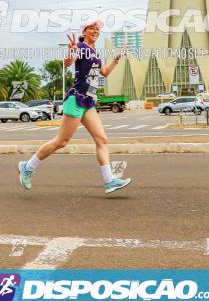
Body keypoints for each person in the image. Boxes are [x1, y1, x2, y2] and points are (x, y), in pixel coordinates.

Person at [18, 20, 132, 194]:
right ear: (84, 32)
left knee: (101, 140)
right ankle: (27, 166)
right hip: (76, 99)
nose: (95, 31)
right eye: (91, 28)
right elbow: (67, 63)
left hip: (88, 102)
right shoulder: (80, 47)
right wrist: (71, 52)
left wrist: (116, 59)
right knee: (61, 142)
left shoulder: (95, 52)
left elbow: (105, 73)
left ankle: (109, 181)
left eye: (97, 29)